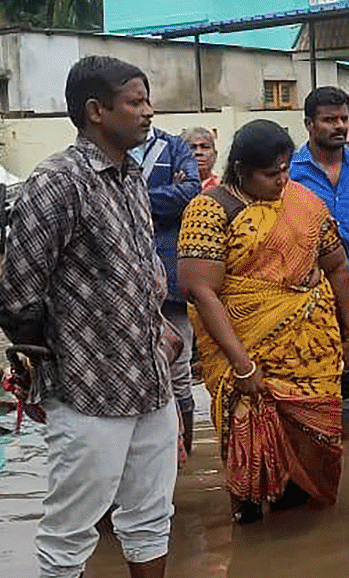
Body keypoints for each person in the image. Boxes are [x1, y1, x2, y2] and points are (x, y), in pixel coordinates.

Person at [0, 56, 179, 578]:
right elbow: (14, 300)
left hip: (151, 383)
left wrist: (157, 329)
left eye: (147, 101)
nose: (148, 113)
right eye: (136, 102)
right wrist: (58, 365)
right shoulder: (58, 183)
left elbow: (133, 276)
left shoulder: (132, 178)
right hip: (89, 392)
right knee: (69, 532)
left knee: (150, 517)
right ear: (96, 111)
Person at [177, 119, 349, 525]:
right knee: (251, 456)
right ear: (241, 170)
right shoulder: (209, 211)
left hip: (311, 356)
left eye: (285, 169)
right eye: (269, 173)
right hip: (243, 354)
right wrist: (243, 365)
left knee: (317, 445)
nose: (281, 180)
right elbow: (201, 291)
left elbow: (338, 267)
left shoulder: (304, 201)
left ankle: (307, 540)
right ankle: (255, 534)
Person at [290, 87, 349, 430]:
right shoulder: (290, 175)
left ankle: (348, 467)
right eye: (329, 120)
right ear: (309, 124)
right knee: (305, 380)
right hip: (300, 297)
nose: (339, 126)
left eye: (344, 118)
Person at [130, 124, 201, 456]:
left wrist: (131, 195)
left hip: (171, 279)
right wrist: (164, 196)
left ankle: (181, 462)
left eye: (145, 101)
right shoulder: (102, 153)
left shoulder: (173, 147)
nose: (143, 111)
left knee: (179, 368)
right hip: (125, 283)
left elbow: (190, 192)